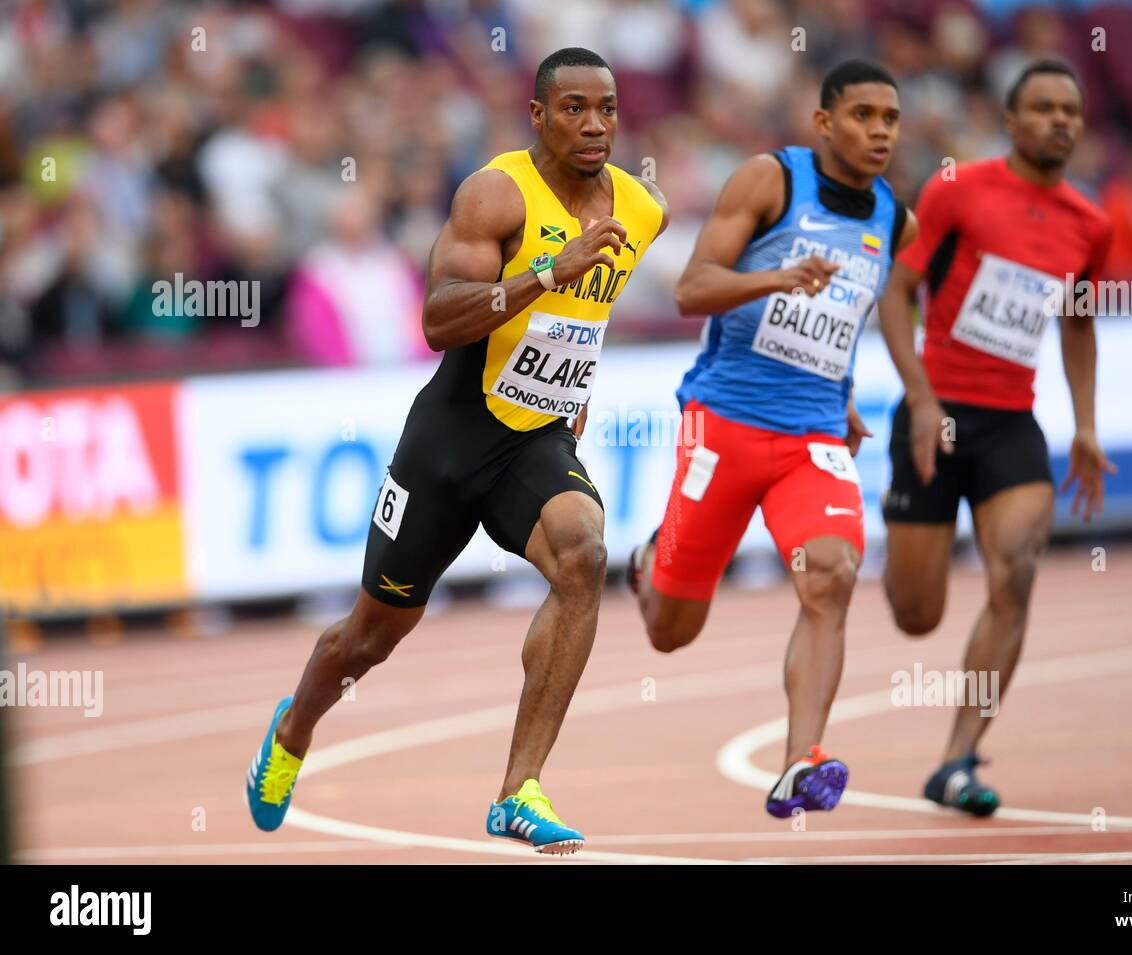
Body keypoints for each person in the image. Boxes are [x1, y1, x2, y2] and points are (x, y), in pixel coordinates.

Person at [244, 47, 669, 855]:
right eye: (574, 107)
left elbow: (589, 314)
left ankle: (520, 789)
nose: (595, 124)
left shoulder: (643, 210)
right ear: (538, 115)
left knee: (583, 552)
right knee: (369, 638)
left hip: (532, 439)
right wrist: (548, 268)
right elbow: (438, 320)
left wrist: (576, 382)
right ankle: (294, 730)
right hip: (448, 441)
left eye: (607, 108)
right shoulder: (495, 193)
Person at [627, 61, 913, 818]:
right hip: (723, 422)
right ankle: (651, 561)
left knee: (834, 573)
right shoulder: (769, 181)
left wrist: (845, 394)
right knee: (670, 632)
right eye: (862, 116)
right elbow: (692, 288)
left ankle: (800, 760)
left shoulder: (892, 216)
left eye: (890, 118)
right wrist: (777, 279)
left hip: (812, 434)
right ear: (823, 124)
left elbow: (849, 313)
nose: (879, 131)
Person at [877, 60, 1114, 815]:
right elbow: (897, 290)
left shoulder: (1090, 224)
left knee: (1015, 573)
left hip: (1012, 420)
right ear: (1010, 122)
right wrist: (918, 396)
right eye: (1043, 107)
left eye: (1070, 109)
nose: (1060, 121)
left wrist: (1084, 424)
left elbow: (1078, 323)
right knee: (917, 612)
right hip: (934, 411)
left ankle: (955, 758)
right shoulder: (958, 190)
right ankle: (905, 544)